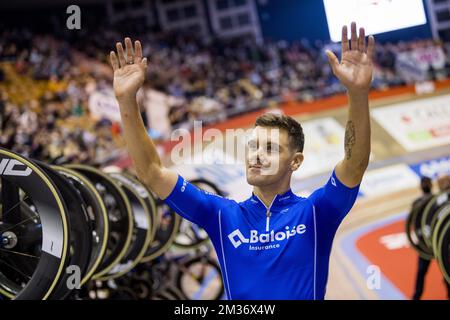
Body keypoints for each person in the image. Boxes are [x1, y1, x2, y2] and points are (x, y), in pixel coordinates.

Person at [110, 22, 374, 299]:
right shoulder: (222, 215)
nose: (257, 155)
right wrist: (127, 100)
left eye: (270, 148)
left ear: (295, 162)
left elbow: (354, 163)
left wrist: (357, 93)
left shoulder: (316, 213)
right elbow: (151, 172)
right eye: (254, 146)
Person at [411, 175, 450, 300]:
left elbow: (420, 224)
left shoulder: (434, 201)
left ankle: (416, 296)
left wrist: (426, 241)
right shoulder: (436, 201)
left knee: (424, 272)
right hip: (439, 244)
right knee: (445, 271)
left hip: (432, 244)